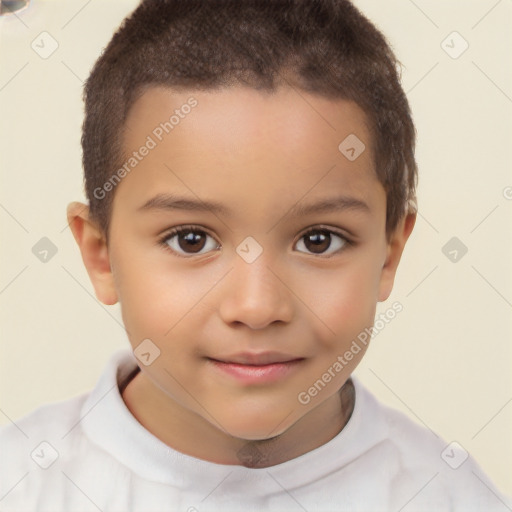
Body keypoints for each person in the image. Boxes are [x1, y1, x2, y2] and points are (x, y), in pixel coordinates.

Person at [1, 0, 510, 510]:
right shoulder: (20, 483)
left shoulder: (449, 496)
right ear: (101, 255)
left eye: (319, 240)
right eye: (191, 239)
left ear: (388, 255)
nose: (257, 307)